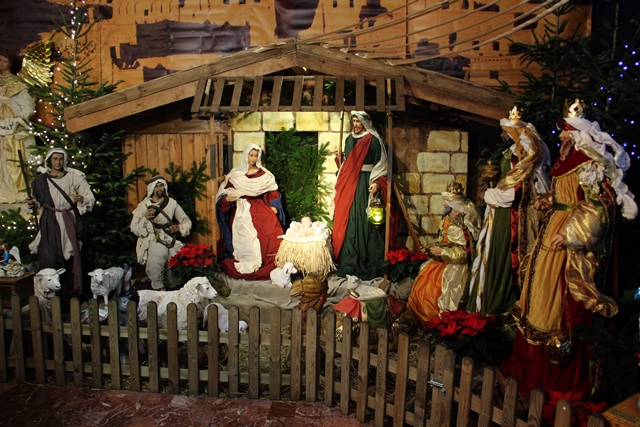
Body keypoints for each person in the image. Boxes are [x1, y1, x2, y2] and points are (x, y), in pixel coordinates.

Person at [503, 99, 638, 398]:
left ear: (577, 134)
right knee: (538, 290)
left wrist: (572, 232)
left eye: (566, 132)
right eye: (562, 131)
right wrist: (549, 201)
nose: (561, 136)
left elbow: (598, 205)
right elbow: (565, 193)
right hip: (554, 226)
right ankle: (533, 360)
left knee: (556, 296)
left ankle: (559, 366)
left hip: (569, 236)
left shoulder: (588, 163)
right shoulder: (567, 160)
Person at [466, 106, 551, 316]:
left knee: (506, 255)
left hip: (511, 215)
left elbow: (519, 189)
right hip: (501, 212)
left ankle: (501, 301)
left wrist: (491, 195)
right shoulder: (513, 152)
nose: (502, 135)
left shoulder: (523, 156)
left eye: (506, 131)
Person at [27, 148, 95, 310]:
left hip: (69, 221)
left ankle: (71, 298)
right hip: (50, 221)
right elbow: (36, 204)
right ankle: (50, 300)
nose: (58, 162)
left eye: (60, 159)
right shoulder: (40, 181)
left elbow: (90, 197)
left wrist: (82, 198)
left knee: (70, 257)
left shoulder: (73, 177)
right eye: (55, 159)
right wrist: (32, 204)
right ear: (49, 161)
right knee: (50, 257)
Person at [407, 181, 481, 325]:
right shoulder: (447, 219)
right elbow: (442, 239)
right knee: (425, 277)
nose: (443, 204)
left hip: (455, 267)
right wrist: (430, 248)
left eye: (446, 202)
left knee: (441, 289)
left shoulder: (462, 226)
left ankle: (441, 323)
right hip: (441, 261)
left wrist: (443, 252)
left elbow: (465, 254)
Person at [332, 111, 389, 280]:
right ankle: (349, 258)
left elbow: (381, 166)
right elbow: (347, 165)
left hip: (365, 183)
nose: (356, 124)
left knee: (366, 221)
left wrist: (376, 183)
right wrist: (339, 158)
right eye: (354, 121)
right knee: (350, 220)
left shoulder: (373, 140)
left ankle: (368, 259)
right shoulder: (349, 139)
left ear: (365, 122)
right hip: (350, 184)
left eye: (359, 121)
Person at [216, 144, 286, 280]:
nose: (253, 159)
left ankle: (271, 260)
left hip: (259, 206)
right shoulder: (236, 174)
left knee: (270, 225)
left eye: (256, 156)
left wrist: (274, 205)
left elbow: (273, 192)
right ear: (246, 155)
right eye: (251, 155)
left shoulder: (264, 175)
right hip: (241, 207)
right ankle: (249, 260)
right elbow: (224, 193)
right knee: (244, 230)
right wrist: (227, 200)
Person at [131, 176, 192, 290]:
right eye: (156, 186)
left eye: (161, 185)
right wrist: (145, 218)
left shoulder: (171, 203)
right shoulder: (144, 205)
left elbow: (186, 220)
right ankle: (158, 289)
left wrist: (179, 227)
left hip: (169, 237)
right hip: (153, 237)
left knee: (175, 262)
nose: (159, 188)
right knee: (156, 260)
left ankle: (174, 289)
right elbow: (134, 227)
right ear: (152, 188)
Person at [0, 48, 36, 203]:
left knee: (13, 159)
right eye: (0, 60)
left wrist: (16, 119)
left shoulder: (18, 83)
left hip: (12, 128)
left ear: (10, 64)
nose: (1, 63)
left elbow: (28, 106)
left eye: (5, 61)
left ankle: (17, 191)